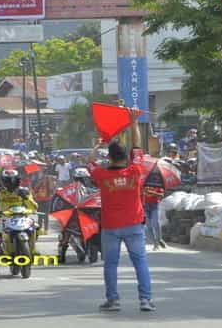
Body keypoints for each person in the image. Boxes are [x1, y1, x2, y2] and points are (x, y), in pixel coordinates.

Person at [88, 111, 155, 313]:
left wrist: (98, 145)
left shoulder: (101, 174)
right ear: (126, 156)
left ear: (109, 157)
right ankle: (145, 300)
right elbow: (138, 146)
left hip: (110, 226)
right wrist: (133, 122)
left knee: (110, 264)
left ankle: (113, 300)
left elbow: (89, 162)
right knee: (140, 262)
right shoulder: (135, 170)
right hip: (134, 224)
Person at [143, 183, 166, 251]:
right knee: (148, 226)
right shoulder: (143, 183)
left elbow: (161, 195)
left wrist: (151, 192)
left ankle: (159, 239)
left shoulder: (157, 183)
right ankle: (155, 243)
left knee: (156, 223)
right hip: (145, 206)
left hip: (155, 205)